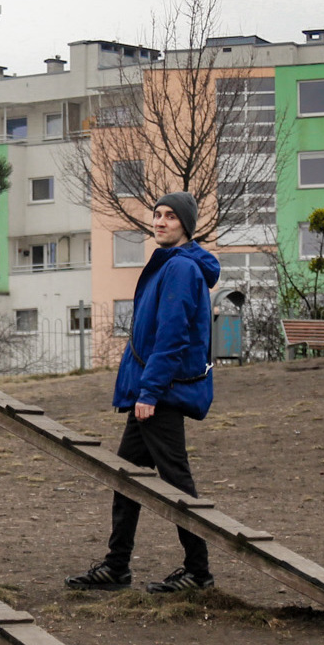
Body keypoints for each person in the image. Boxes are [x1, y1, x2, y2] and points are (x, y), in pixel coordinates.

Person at [65, 191, 221, 593]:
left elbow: (171, 337)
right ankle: (117, 567)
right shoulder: (169, 263)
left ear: (186, 226)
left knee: (176, 483)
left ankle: (198, 571)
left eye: (170, 216)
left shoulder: (180, 269)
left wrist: (149, 392)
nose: (160, 221)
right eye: (157, 214)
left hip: (161, 394)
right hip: (152, 393)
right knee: (127, 478)